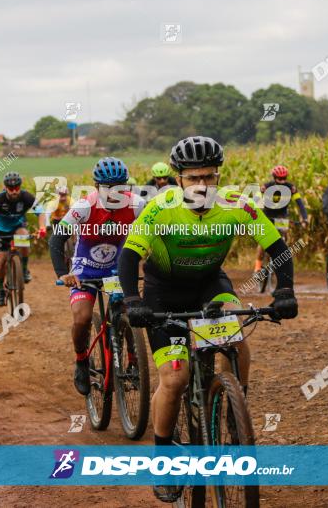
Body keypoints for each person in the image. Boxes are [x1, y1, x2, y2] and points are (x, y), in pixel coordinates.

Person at [117, 136, 298, 503]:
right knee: (176, 377)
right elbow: (128, 257)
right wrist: (134, 301)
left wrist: (285, 291)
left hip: (210, 286)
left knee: (235, 332)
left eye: (210, 177)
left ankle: (235, 409)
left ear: (219, 176)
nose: (202, 185)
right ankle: (164, 459)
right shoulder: (160, 208)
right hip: (162, 293)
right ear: (178, 178)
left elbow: (279, 248)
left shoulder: (236, 204)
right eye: (194, 177)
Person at [48, 157, 144, 395]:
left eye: (120, 187)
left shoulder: (137, 205)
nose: (114, 193)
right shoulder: (85, 207)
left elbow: (153, 237)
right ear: (97, 186)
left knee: (128, 312)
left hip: (117, 266)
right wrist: (64, 273)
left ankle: (133, 360)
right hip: (85, 268)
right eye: (107, 188)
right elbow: (56, 240)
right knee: (81, 318)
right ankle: (81, 360)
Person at [0, 172, 40, 306]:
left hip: (18, 226)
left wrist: (42, 228)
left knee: (23, 235)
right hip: (0, 230)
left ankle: (23, 269)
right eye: (11, 188)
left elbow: (41, 212)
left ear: (20, 187)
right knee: (0, 260)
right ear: (5, 187)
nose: (14, 191)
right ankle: (0, 290)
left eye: (17, 188)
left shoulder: (26, 197)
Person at [254, 165, 308, 273]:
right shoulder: (266, 187)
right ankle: (258, 267)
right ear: (274, 178)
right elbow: (255, 200)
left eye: (284, 179)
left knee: (283, 235)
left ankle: (279, 257)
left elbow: (300, 204)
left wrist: (305, 218)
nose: (282, 182)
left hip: (281, 215)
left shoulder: (291, 188)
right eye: (279, 179)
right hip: (267, 215)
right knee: (263, 240)